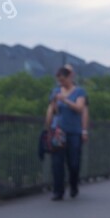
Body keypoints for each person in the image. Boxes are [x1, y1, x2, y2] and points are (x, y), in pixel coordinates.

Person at [44, 66, 88, 201]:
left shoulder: (79, 92)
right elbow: (52, 110)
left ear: (70, 77)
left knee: (74, 163)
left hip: (74, 131)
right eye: (59, 81)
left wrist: (65, 100)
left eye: (63, 80)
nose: (61, 83)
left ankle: (74, 185)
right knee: (57, 162)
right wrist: (47, 127)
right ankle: (58, 191)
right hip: (58, 130)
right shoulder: (55, 91)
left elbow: (80, 108)